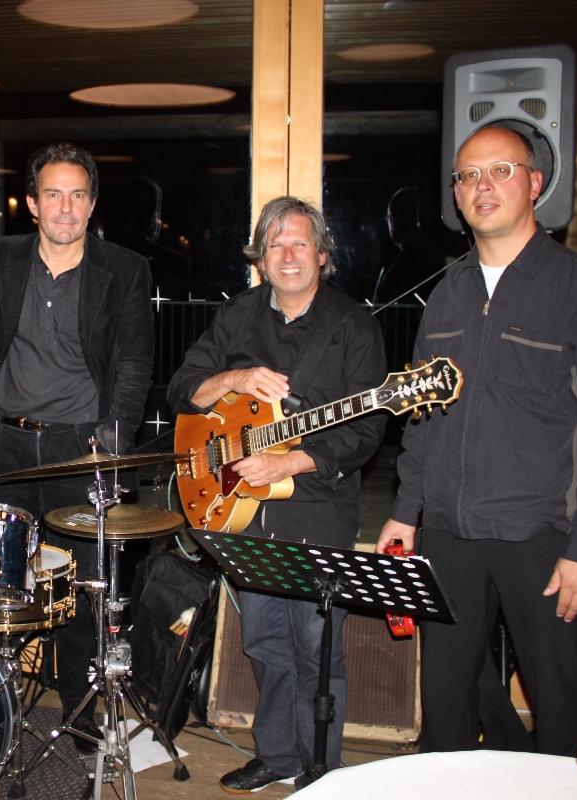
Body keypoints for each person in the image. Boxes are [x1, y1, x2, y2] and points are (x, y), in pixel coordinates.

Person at [375, 123, 577, 755]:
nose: (482, 186)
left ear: (535, 183)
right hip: (447, 533)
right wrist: (406, 513)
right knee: (445, 708)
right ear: (456, 195)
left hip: (544, 538)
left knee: (561, 711)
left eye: (500, 171)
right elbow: (423, 419)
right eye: (468, 176)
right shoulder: (445, 296)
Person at [167, 196, 387, 792]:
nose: (288, 255)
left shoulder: (353, 326)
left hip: (317, 507)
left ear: (322, 254)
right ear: (260, 259)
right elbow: (184, 390)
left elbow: (367, 431)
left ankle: (321, 769)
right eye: (275, 245)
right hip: (241, 511)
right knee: (264, 642)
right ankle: (278, 755)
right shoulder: (238, 316)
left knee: (317, 648)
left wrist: (289, 461)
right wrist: (235, 378)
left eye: (299, 243)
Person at [0, 142, 154, 751]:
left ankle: (81, 716)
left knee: (80, 594)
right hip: (1, 447)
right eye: (53, 194)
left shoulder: (125, 269)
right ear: (32, 204)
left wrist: (111, 443)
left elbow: (134, 364)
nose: (65, 207)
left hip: (78, 450)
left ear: (92, 205)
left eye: (77, 195)